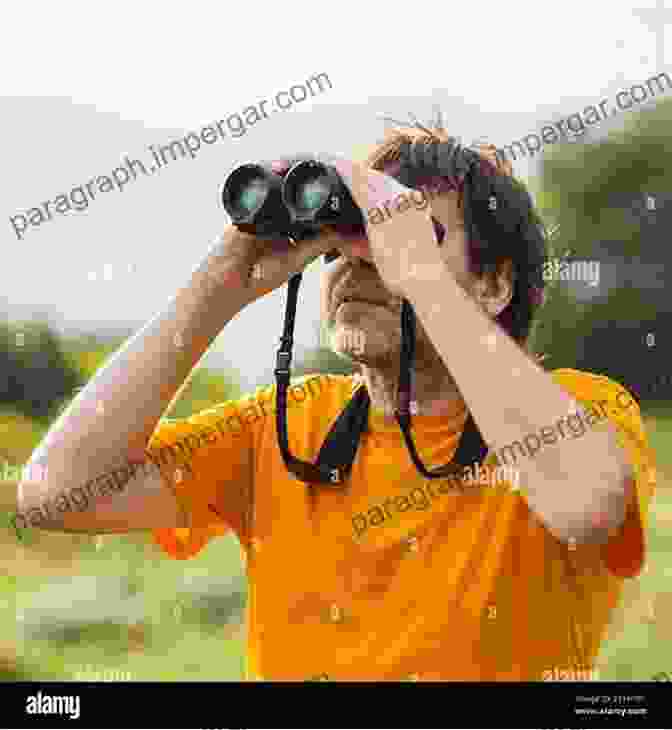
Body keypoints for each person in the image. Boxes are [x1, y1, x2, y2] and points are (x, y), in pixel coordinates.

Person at [16, 122, 657, 681]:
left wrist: (423, 281)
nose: (364, 261)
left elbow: (589, 507)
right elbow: (55, 492)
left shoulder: (583, 410)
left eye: (409, 236)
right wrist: (220, 285)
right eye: (348, 238)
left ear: (492, 285)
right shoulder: (285, 428)